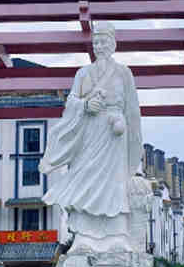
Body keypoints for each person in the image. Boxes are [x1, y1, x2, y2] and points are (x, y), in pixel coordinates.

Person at [40, 22, 143, 254]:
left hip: (114, 135)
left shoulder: (123, 73)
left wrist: (129, 131)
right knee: (85, 181)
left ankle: (117, 235)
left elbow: (132, 109)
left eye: (104, 41)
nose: (99, 46)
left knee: (114, 183)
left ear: (113, 44)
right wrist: (85, 105)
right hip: (89, 133)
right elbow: (71, 102)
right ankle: (84, 237)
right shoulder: (83, 73)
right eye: (96, 42)